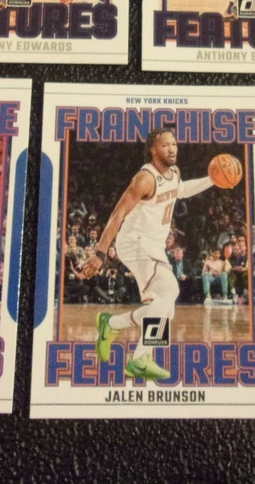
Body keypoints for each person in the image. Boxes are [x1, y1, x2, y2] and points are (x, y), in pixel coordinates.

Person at [82, 128, 224, 380]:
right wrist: (100, 254)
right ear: (153, 149)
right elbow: (117, 215)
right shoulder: (145, 178)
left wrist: (213, 179)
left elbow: (181, 190)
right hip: (135, 242)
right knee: (169, 291)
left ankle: (111, 324)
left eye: (174, 144)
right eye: (165, 145)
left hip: (154, 246)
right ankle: (139, 360)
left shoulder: (174, 173)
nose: (172, 149)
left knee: (165, 308)